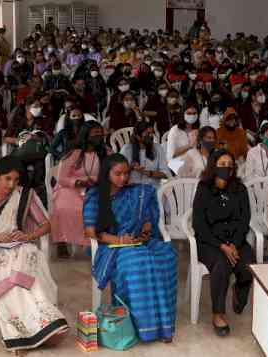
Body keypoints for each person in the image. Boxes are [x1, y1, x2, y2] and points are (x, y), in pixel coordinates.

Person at [0, 157, 68, 353]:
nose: (12, 185)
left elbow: (46, 225)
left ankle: (38, 326)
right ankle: (21, 334)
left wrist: (28, 235)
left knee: (26, 262)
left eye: (16, 180)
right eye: (7, 179)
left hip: (17, 246)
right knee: (6, 272)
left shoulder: (23, 195)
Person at [84, 153, 178, 342]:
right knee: (139, 260)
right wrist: (119, 240)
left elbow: (148, 217)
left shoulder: (138, 192)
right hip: (111, 246)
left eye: (126, 173)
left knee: (167, 254)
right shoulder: (95, 195)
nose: (123, 178)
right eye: (118, 174)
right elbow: (91, 231)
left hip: (138, 241)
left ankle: (163, 325)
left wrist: (147, 226)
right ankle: (137, 325)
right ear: (106, 173)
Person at [192, 149, 253, 337]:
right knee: (221, 264)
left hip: (236, 239)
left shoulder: (240, 189)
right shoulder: (204, 188)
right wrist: (222, 246)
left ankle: (239, 290)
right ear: (213, 166)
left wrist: (234, 244)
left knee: (249, 265)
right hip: (210, 242)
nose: (226, 168)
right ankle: (218, 313)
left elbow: (245, 220)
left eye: (229, 165)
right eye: (222, 164)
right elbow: (199, 224)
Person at [50, 121, 107, 257]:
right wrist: (78, 182)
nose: (99, 136)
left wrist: (97, 181)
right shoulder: (74, 153)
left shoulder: (104, 152)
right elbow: (61, 177)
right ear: (86, 135)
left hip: (94, 188)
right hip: (69, 188)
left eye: (100, 134)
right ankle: (62, 241)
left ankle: (91, 243)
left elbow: (110, 171)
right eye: (95, 134)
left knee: (94, 207)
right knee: (66, 206)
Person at [121, 120, 170, 187]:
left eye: (152, 133)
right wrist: (131, 167)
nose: (151, 136)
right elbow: (119, 172)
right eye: (147, 134)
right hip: (133, 189)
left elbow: (165, 174)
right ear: (138, 136)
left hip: (152, 189)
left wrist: (147, 173)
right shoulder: (127, 149)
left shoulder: (158, 148)